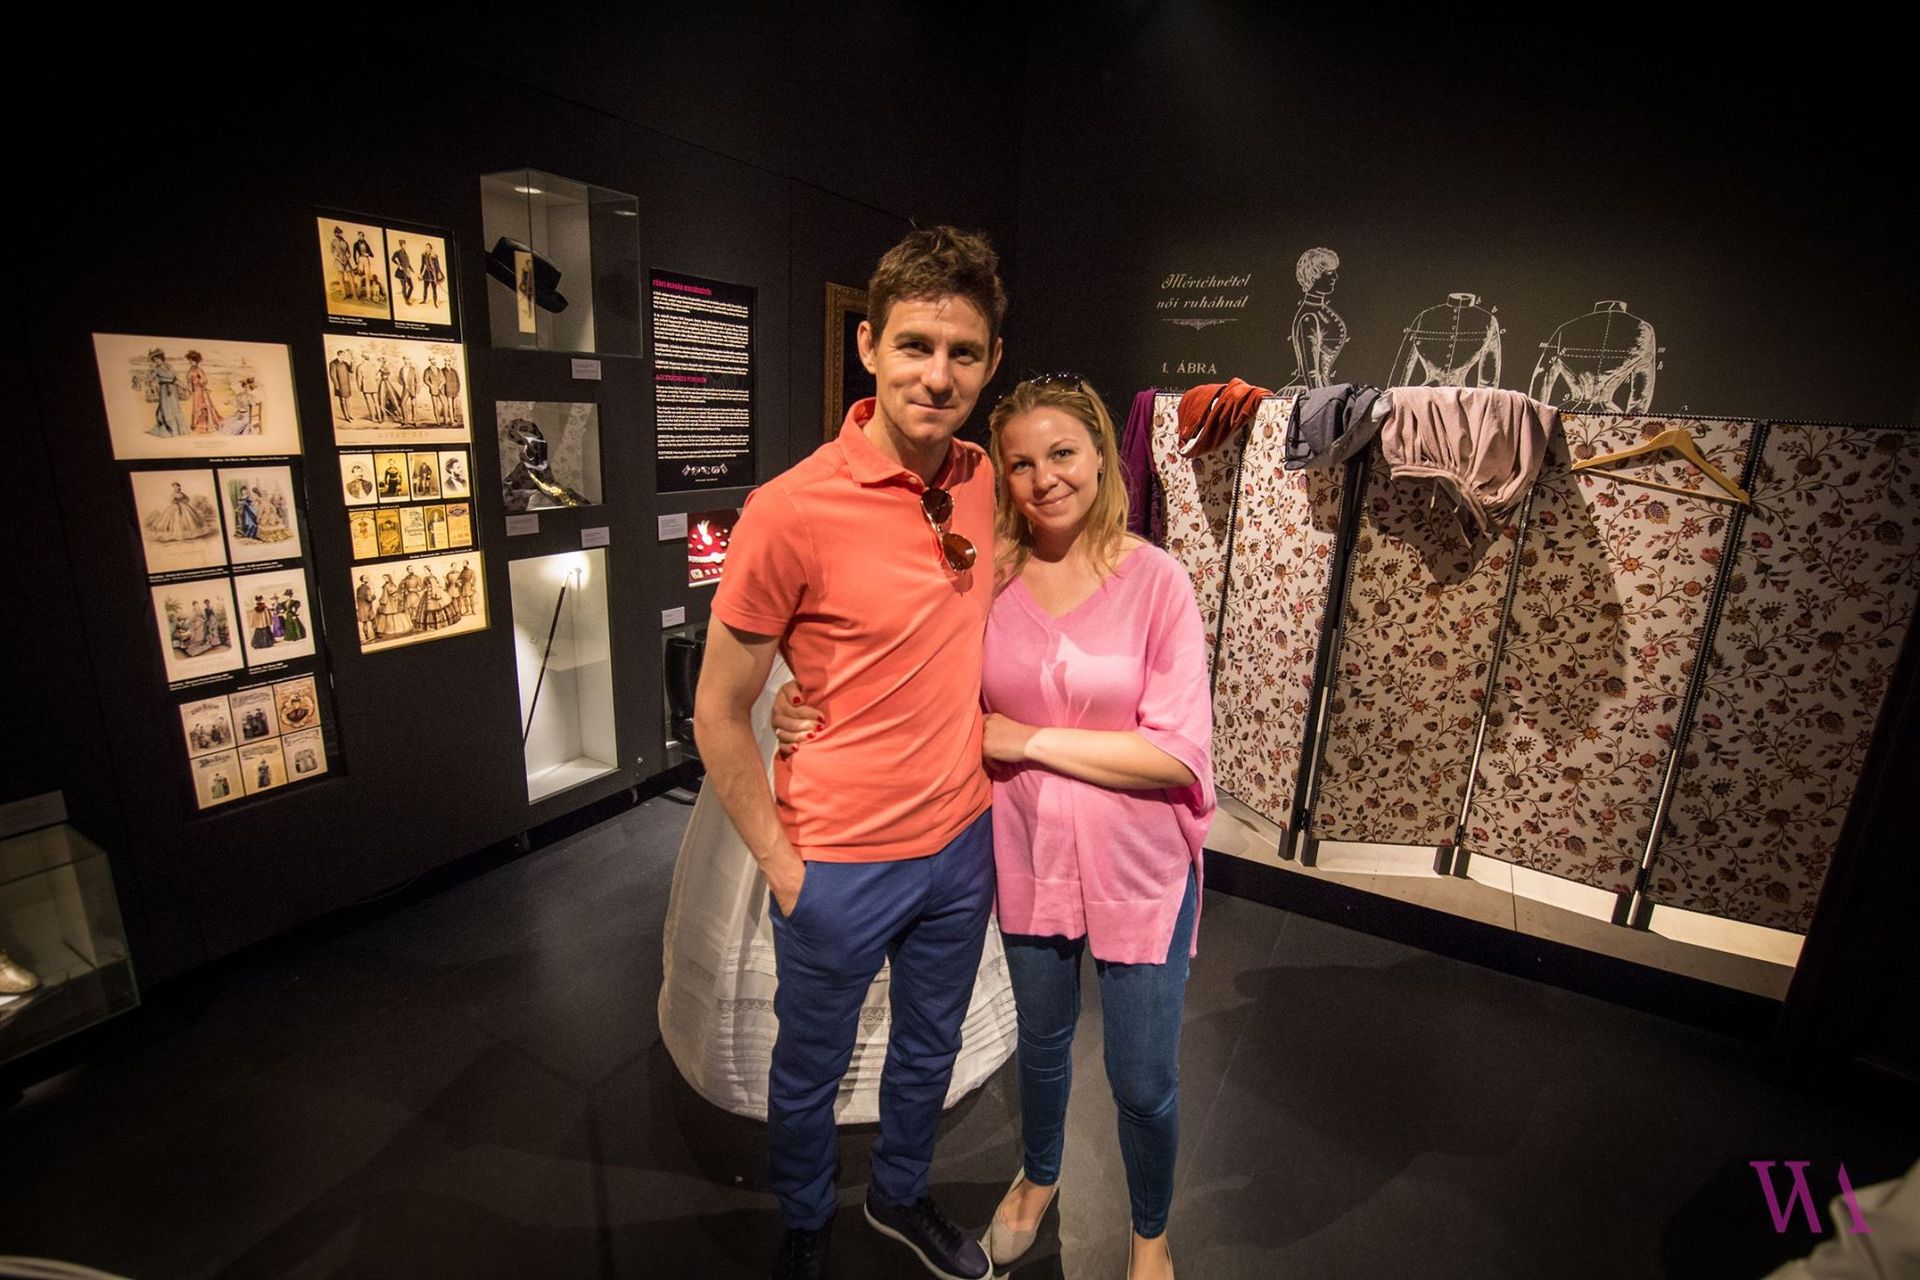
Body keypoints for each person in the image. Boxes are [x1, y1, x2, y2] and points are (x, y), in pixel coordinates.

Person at [777, 376, 1215, 1280]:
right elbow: (908, 670)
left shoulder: (1158, 582)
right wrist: (803, 699)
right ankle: (1039, 1178)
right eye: (1020, 463)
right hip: (1027, 857)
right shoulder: (989, 576)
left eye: (1063, 454)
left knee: (1142, 1081)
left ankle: (1150, 1235)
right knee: (1042, 1052)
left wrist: (1025, 739)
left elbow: (1177, 754)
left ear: (1103, 454)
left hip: (1140, 869)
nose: (1044, 478)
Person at [693, 226, 1006, 1280]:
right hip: (838, 860)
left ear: (991, 362)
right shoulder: (789, 508)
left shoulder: (985, 481)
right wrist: (787, 870)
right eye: (915, 345)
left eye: (963, 352)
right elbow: (717, 711)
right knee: (809, 1067)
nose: (938, 375)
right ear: (869, 345)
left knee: (928, 1049)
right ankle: (805, 1221)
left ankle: (900, 1197)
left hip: (960, 845)